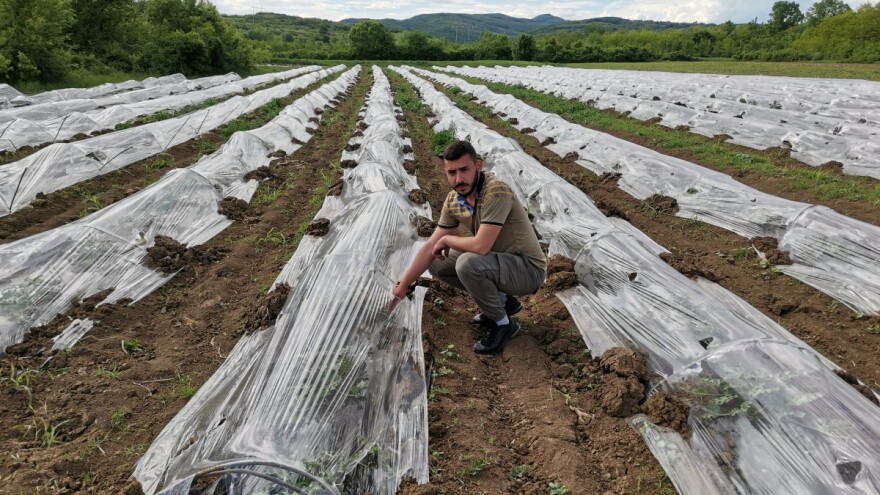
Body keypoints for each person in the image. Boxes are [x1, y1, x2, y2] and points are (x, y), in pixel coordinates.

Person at [389, 140, 546, 354]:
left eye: (464, 170)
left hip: (527, 270)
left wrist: (447, 241)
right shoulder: (454, 200)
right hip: (499, 263)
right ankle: (502, 302)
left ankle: (503, 324)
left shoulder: (496, 192)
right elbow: (430, 246)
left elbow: (481, 246)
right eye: (451, 172)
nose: (458, 179)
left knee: (467, 263)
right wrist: (403, 285)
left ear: (478, 166)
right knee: (436, 260)